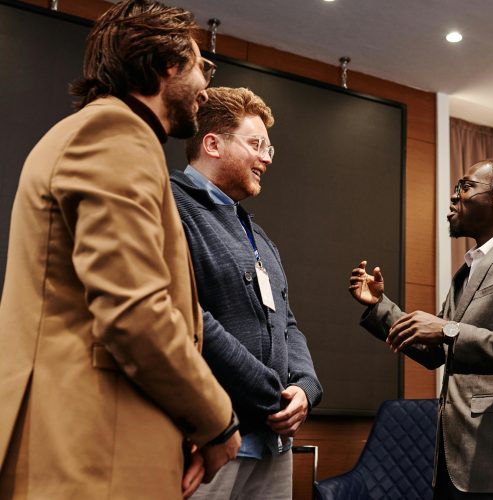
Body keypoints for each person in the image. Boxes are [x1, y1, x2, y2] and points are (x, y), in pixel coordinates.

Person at [0, 1, 242, 499]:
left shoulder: (112, 136)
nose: (206, 86)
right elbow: (135, 312)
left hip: (94, 446)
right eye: (201, 67)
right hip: (88, 454)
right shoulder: (115, 134)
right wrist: (217, 422)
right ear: (165, 65)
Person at [349, 159, 493, 499]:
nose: (454, 198)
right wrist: (379, 306)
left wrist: (448, 330)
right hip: (456, 465)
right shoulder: (468, 270)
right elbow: (435, 351)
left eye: (464, 188)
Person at [171, 86, 322, 499]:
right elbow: (186, 316)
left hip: (273, 446)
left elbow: (287, 322)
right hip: (209, 440)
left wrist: (306, 388)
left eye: (269, 147)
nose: (268, 157)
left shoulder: (258, 236)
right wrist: (271, 395)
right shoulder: (169, 206)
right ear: (213, 143)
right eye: (256, 144)